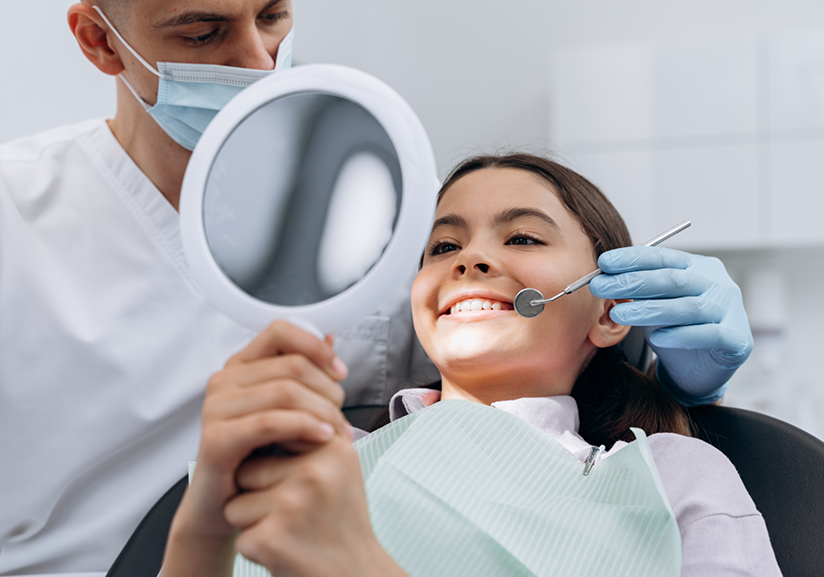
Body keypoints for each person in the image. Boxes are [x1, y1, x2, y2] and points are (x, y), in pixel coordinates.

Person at [0, 1, 753, 573]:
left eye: (273, 15)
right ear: (101, 39)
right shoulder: (17, 218)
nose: (260, 63)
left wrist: (677, 375)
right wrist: (206, 519)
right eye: (202, 34)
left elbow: (529, 357)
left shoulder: (385, 209)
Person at [160, 154, 780, 577]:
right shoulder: (320, 455)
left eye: (523, 238)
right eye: (445, 246)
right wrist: (203, 530)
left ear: (610, 311)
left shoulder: (672, 475)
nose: (472, 258)